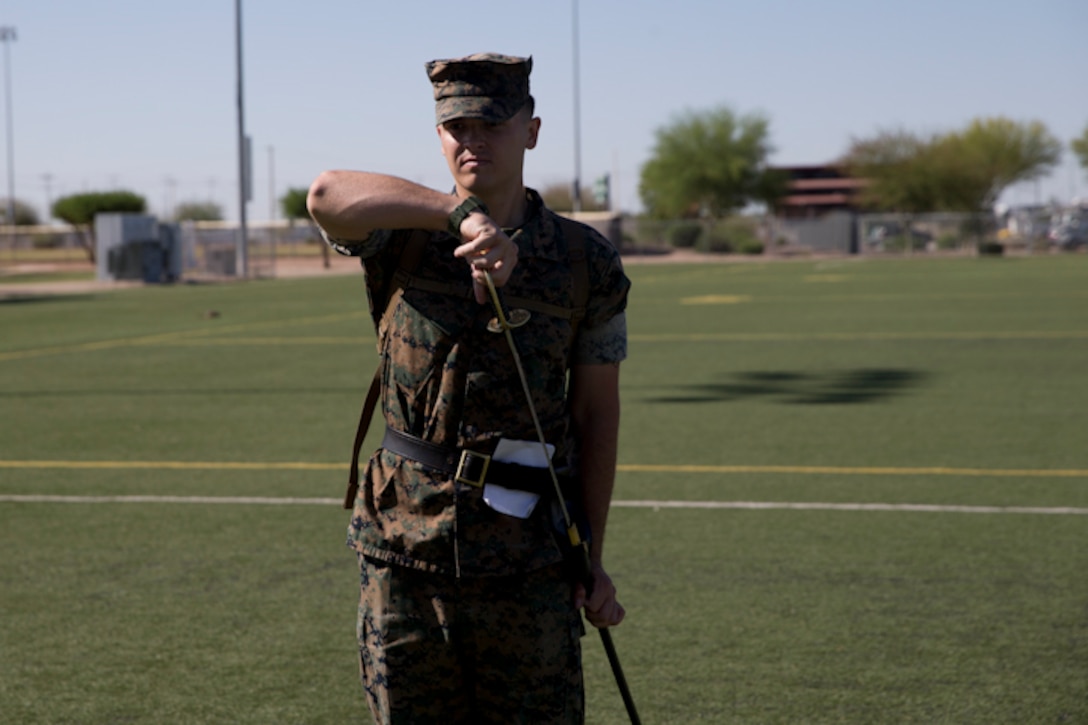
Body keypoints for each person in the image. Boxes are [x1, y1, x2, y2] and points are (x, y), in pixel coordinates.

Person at [307, 52, 631, 724]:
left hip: (531, 561)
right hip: (405, 556)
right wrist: (458, 216)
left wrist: (592, 558)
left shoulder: (585, 261)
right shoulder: (403, 235)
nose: (472, 139)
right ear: (438, 136)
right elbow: (325, 194)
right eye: (457, 126)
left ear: (531, 131)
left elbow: (596, 413)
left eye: (492, 123)